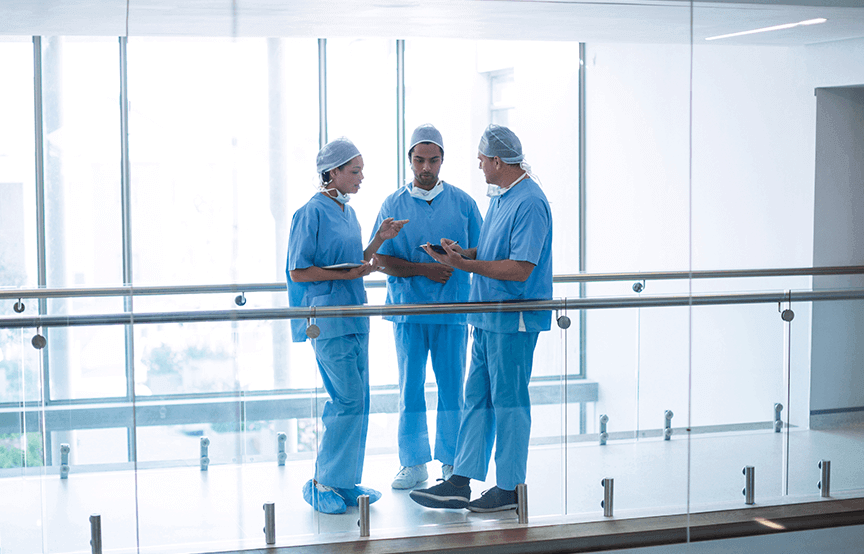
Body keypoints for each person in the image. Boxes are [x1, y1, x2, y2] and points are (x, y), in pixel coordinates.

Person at [409, 124, 553, 513]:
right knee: (477, 401)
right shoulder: (502, 198)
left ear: (497, 160)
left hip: (514, 318)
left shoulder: (530, 202)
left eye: (481, 160)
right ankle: (460, 481)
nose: (479, 166)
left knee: (508, 403)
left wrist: (466, 265)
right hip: (487, 318)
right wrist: (461, 254)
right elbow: (493, 249)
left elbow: (521, 268)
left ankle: (509, 489)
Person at [287, 137, 407, 514]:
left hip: (355, 314)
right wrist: (343, 274)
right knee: (347, 399)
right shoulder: (311, 212)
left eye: (361, 171)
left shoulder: (348, 213)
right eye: (354, 171)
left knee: (360, 400)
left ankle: (343, 481)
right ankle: (321, 481)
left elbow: (354, 260)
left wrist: (377, 243)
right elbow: (297, 270)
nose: (361, 178)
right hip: (327, 318)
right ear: (332, 172)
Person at [371, 124, 483, 490]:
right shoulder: (393, 205)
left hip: (452, 311)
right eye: (419, 160)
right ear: (410, 160)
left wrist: (456, 256)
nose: (426, 167)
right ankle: (414, 462)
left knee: (454, 386)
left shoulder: (464, 203)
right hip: (408, 311)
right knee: (411, 386)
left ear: (442, 161)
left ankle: (452, 461)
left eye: (433, 160)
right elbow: (381, 260)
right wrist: (424, 268)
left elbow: (482, 251)